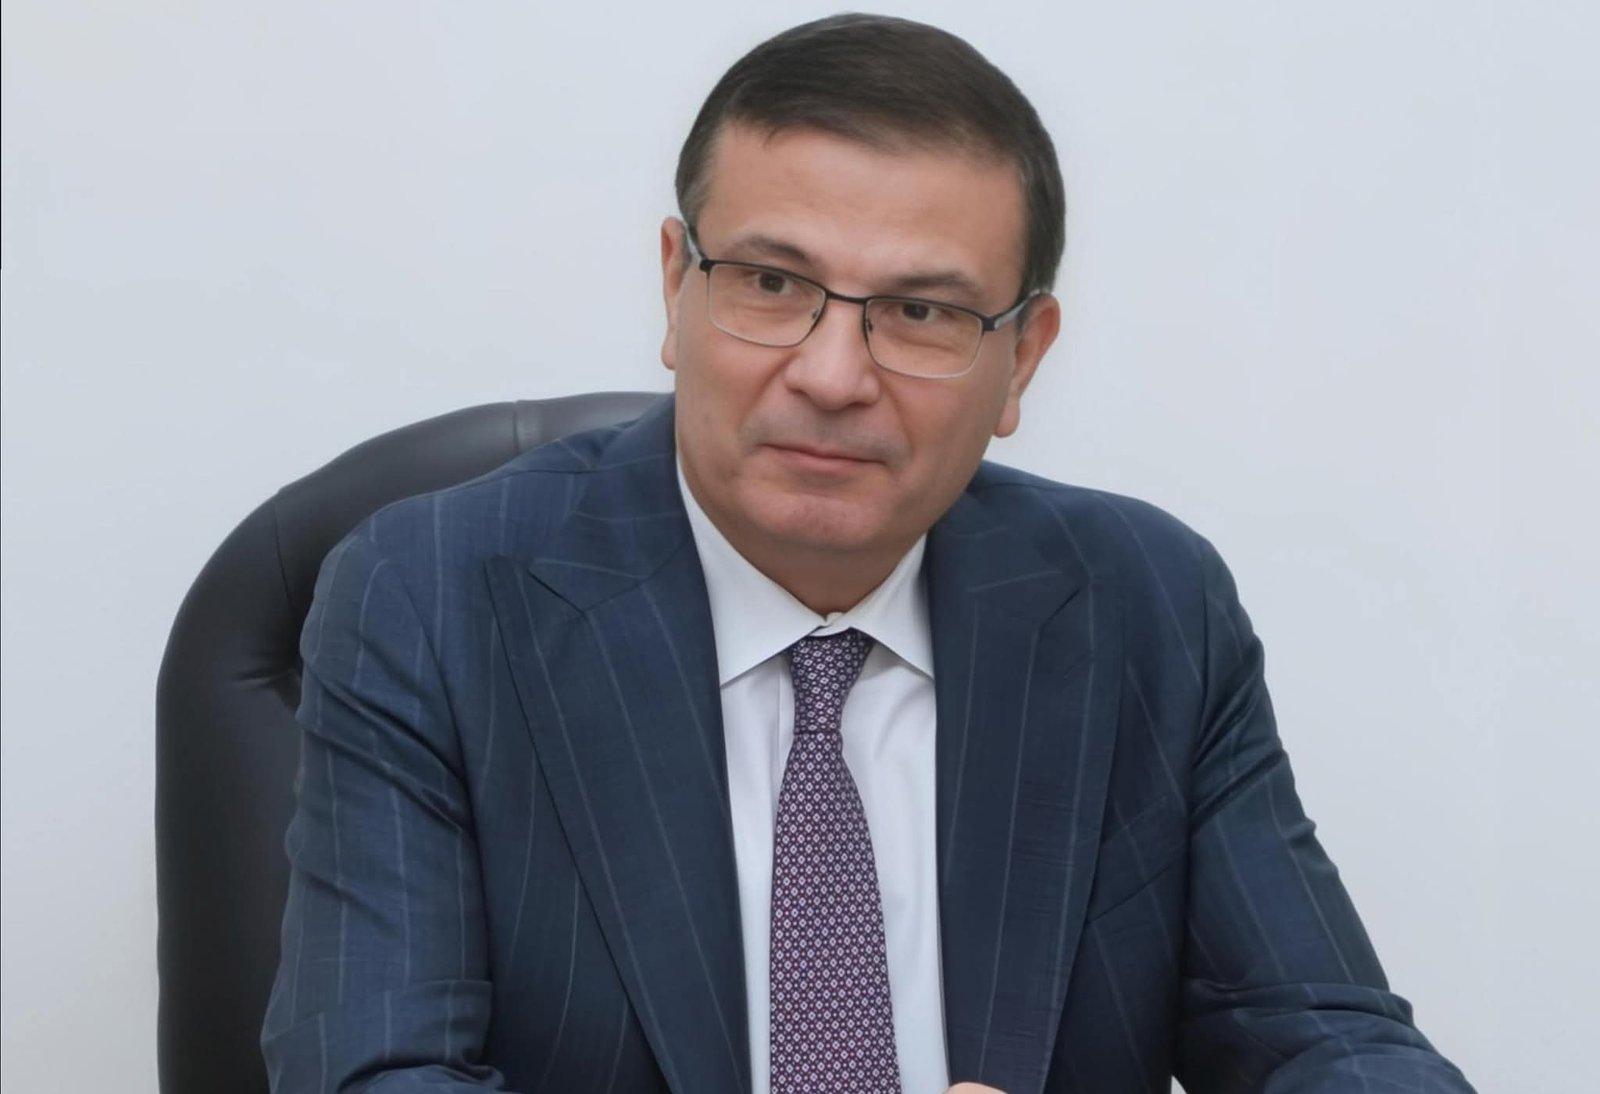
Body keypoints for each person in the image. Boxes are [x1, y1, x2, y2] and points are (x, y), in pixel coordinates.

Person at [261, 13, 1475, 1094]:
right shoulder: (432, 597)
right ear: (676, 286)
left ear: (1024, 357)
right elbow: (374, 1068)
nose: (832, 375)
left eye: (922, 311)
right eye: (770, 281)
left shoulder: (1147, 604)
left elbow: (1321, 1034)